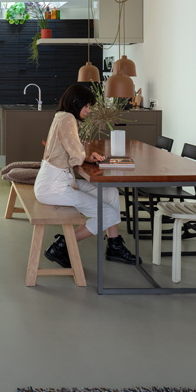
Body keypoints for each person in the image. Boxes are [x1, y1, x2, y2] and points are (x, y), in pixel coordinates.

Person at [34, 83, 140, 268]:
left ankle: (114, 245)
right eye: (87, 106)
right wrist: (84, 156)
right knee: (107, 213)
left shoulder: (61, 116)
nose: (88, 111)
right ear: (76, 103)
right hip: (54, 187)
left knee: (110, 193)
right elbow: (75, 157)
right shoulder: (67, 118)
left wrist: (87, 157)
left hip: (58, 181)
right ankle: (62, 246)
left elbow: (73, 151)